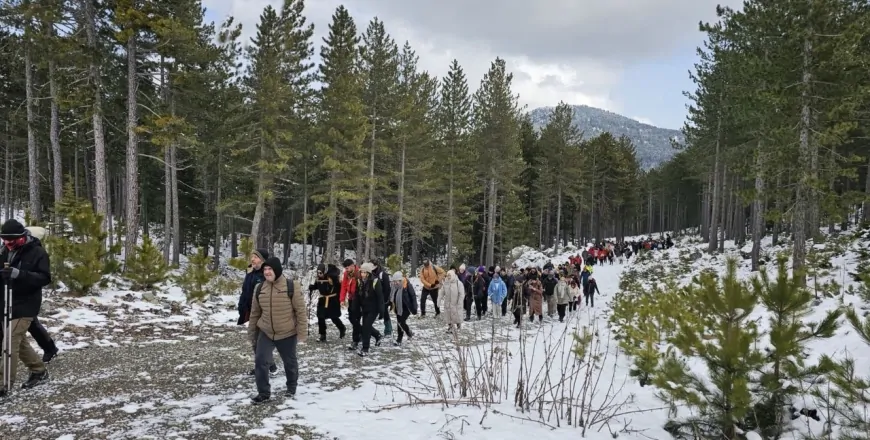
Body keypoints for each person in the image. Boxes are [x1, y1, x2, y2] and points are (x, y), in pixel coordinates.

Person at [0, 219, 51, 396]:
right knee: (19, 342)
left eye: (11, 240)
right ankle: (38, 370)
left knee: (9, 341)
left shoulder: (37, 252)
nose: (8, 243)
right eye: (4, 240)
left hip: (26, 304)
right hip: (5, 302)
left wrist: (19, 274)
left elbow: (44, 278)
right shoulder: (4, 250)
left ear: (21, 237)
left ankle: (3, 385)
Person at [247, 257, 307, 404]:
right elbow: (255, 313)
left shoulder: (292, 286)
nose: (267, 272)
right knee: (260, 361)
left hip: (287, 332)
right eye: (265, 270)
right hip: (266, 331)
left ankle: (291, 387)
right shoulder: (260, 288)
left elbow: (300, 311)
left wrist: (302, 332)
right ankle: (263, 393)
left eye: (270, 269)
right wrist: (252, 333)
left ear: (277, 270)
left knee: (290, 362)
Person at [21, 226, 58, 363]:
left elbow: (43, 276)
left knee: (32, 323)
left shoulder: (37, 252)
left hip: (29, 293)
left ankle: (49, 348)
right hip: (12, 291)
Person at [237, 248, 276, 375]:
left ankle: (266, 366)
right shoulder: (250, 274)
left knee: (261, 341)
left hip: (264, 313)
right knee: (254, 340)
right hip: (251, 312)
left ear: (263, 260)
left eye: (255, 257)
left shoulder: (267, 275)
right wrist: (242, 306)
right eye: (252, 256)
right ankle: (268, 364)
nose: (252, 259)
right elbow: (245, 293)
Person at [308, 263, 346, 343]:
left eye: (320, 272)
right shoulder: (318, 279)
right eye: (318, 272)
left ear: (324, 272)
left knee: (333, 317)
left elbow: (339, 287)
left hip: (332, 300)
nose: (319, 274)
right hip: (322, 299)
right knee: (320, 316)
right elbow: (318, 286)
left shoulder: (331, 278)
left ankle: (342, 328)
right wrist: (312, 287)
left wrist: (340, 299)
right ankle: (322, 335)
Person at [354, 263, 383, 356]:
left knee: (366, 326)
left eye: (364, 272)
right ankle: (377, 335)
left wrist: (382, 311)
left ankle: (365, 348)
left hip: (374, 309)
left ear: (368, 273)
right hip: (364, 308)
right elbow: (357, 296)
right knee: (365, 325)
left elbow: (380, 297)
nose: (362, 274)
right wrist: (355, 308)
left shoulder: (375, 282)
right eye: (361, 272)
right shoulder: (359, 282)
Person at [389, 271, 417, 345]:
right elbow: (392, 297)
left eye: (397, 281)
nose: (395, 283)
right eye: (394, 281)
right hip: (398, 308)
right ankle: (409, 332)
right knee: (401, 322)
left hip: (406, 308)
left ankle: (399, 339)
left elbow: (413, 296)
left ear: (401, 280)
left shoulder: (407, 286)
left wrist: (414, 308)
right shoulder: (394, 287)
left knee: (400, 322)